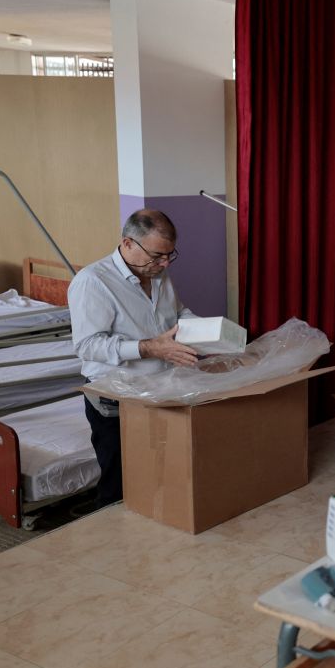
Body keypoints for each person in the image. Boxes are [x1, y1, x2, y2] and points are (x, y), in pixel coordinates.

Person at [67, 209, 198, 509]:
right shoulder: (93, 282)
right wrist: (150, 348)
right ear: (127, 244)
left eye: (169, 255)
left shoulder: (158, 274)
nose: (164, 263)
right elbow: (88, 345)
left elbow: (177, 314)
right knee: (121, 482)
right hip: (116, 396)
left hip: (160, 388)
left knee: (159, 474)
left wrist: (209, 332)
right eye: (157, 255)